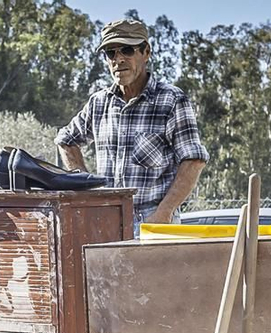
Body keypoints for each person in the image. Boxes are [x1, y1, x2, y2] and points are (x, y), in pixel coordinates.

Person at [56, 17, 208, 225]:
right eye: (111, 53)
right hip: (106, 222)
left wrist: (164, 213)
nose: (118, 59)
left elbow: (193, 160)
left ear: (146, 52)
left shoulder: (171, 100)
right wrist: (86, 192)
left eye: (126, 50)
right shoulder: (99, 103)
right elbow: (66, 139)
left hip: (154, 222)